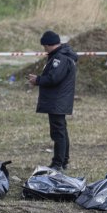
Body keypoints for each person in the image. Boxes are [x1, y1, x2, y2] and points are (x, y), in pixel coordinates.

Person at [28, 31, 78, 171]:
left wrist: (37, 80)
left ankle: (58, 163)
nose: (44, 49)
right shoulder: (61, 56)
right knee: (61, 131)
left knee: (58, 132)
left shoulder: (60, 58)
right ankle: (63, 161)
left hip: (57, 101)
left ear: (50, 45)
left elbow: (53, 78)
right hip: (58, 100)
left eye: (45, 46)